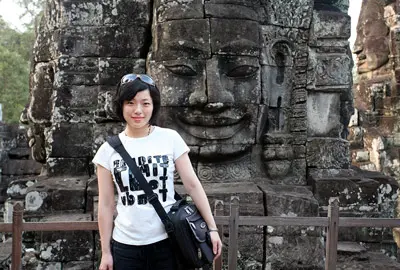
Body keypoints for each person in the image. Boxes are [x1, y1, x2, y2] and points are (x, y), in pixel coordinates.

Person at [92, 73, 222, 270]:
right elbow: (107, 205)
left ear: (154, 106)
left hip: (167, 242)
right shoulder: (107, 151)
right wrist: (106, 252)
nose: (138, 110)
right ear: (121, 105)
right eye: (130, 102)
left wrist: (212, 228)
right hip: (126, 247)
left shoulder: (170, 139)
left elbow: (193, 185)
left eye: (145, 103)